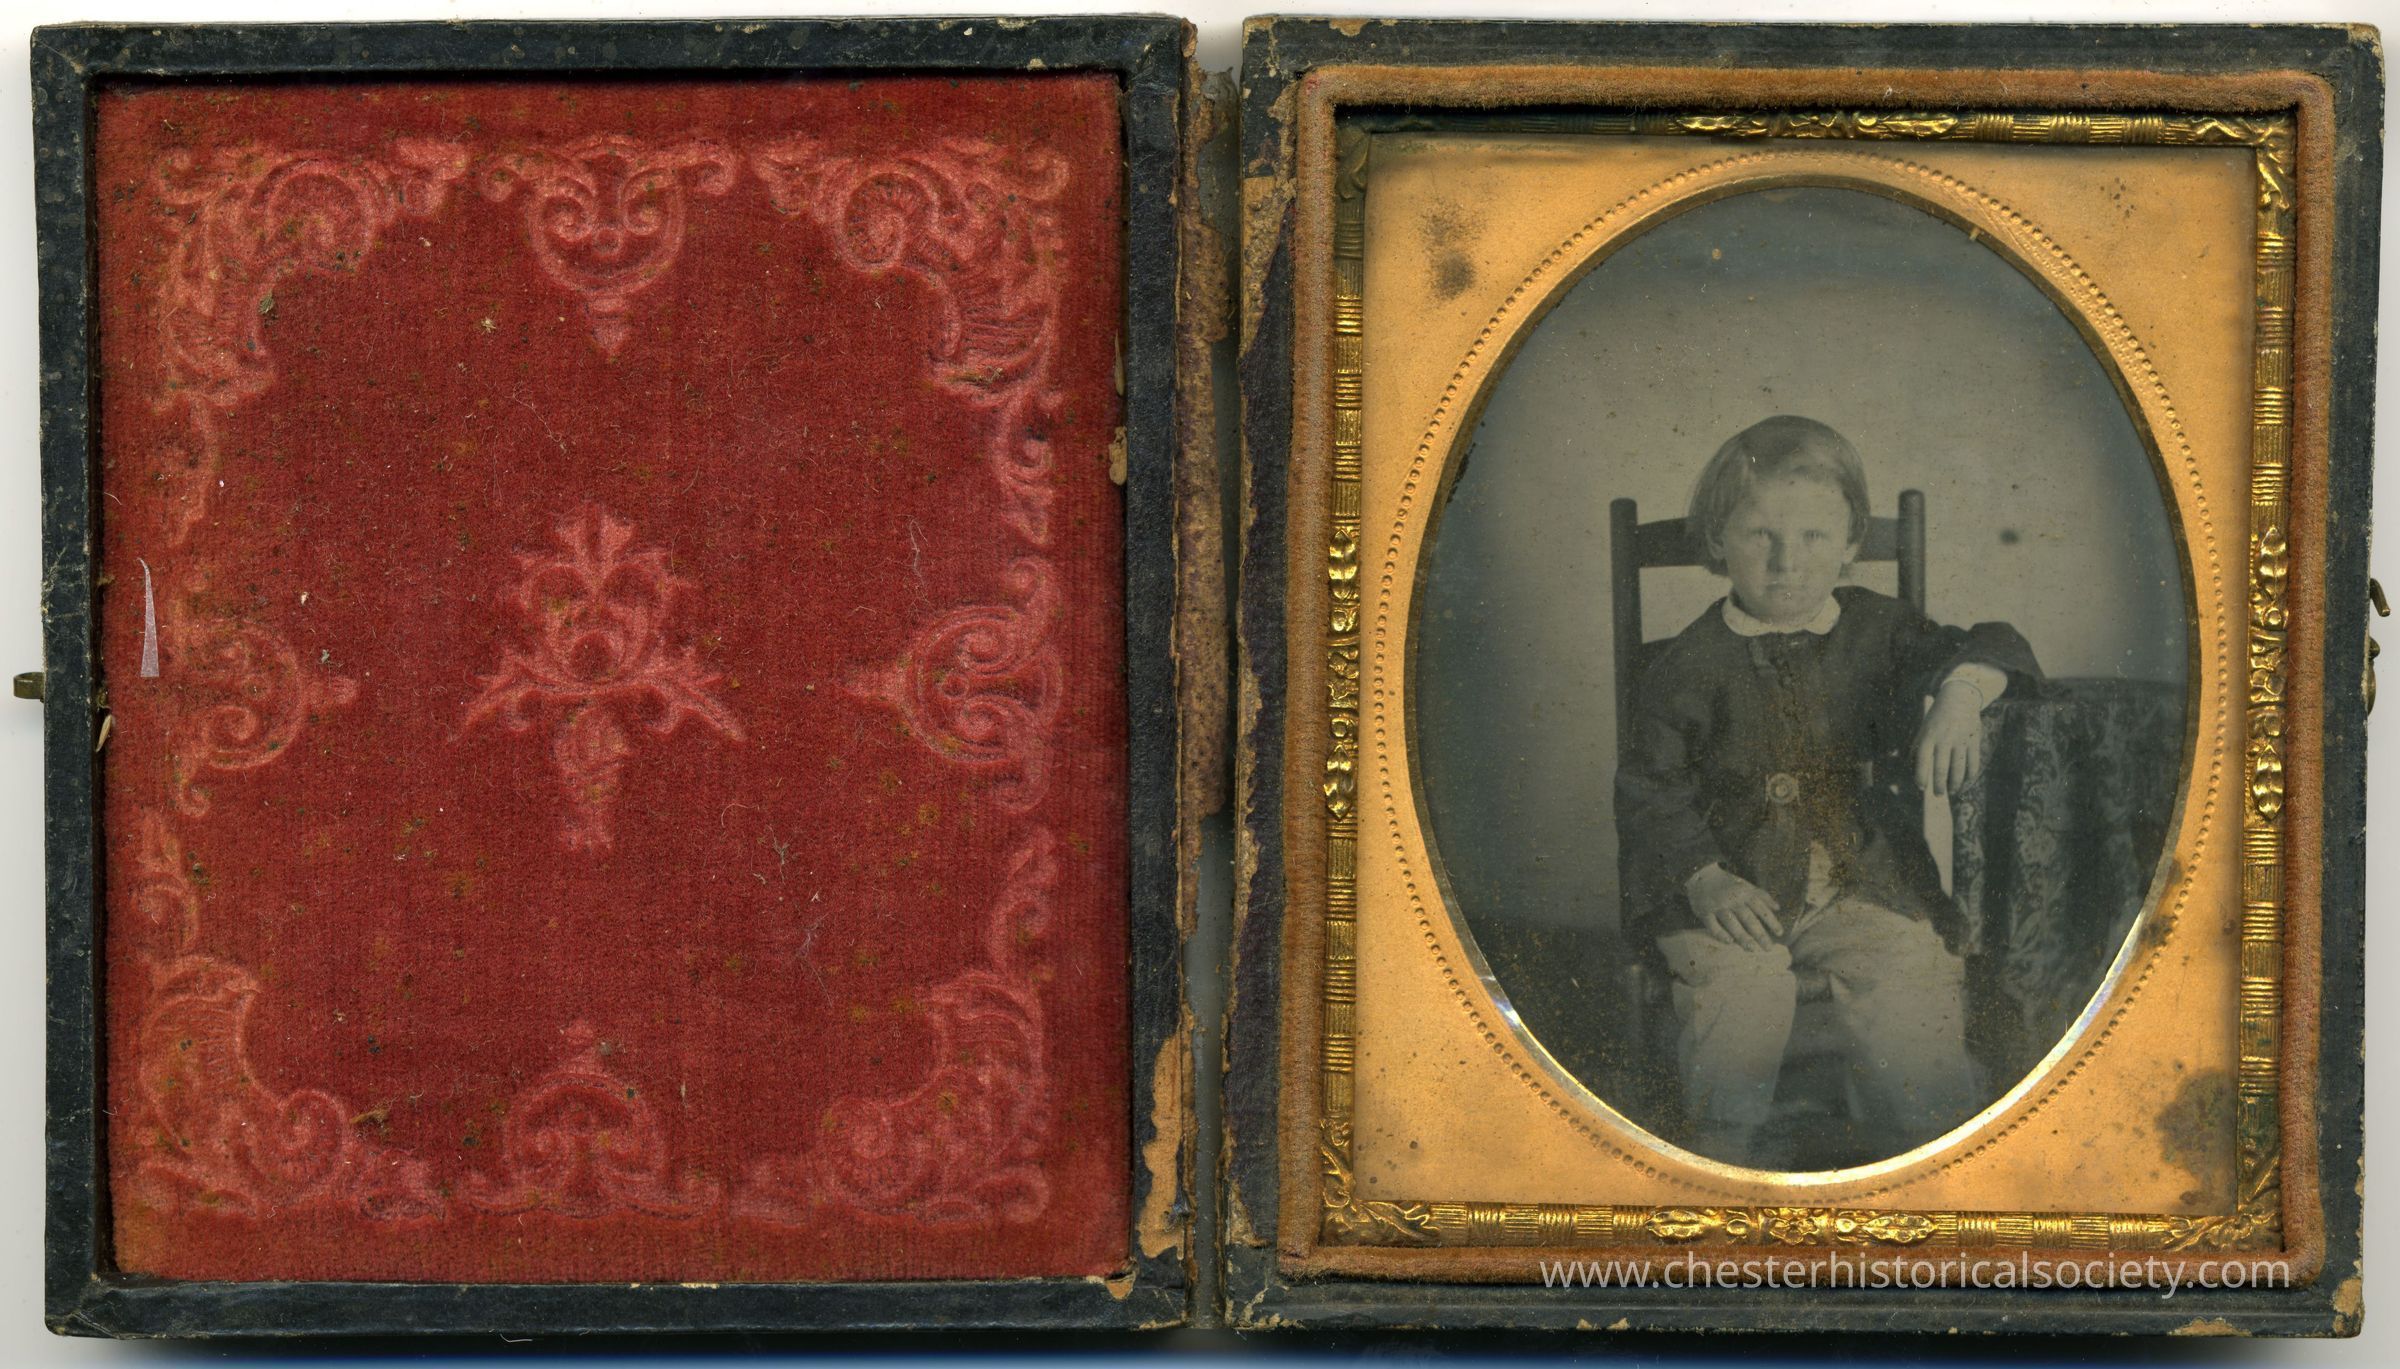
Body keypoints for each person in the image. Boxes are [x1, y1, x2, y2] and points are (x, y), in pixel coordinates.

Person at [1615, 415, 2040, 1169]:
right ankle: (1724, 1151)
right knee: (1741, 993)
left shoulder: (1881, 628)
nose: (1787, 562)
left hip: (1857, 884)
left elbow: (1995, 641)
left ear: (1850, 543)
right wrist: (1704, 877)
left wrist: (1961, 693)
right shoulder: (1687, 663)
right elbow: (1649, 790)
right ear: (1717, 540)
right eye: (1760, 536)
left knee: (1910, 979)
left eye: (1814, 536)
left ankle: (1915, 1145)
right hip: (1726, 891)